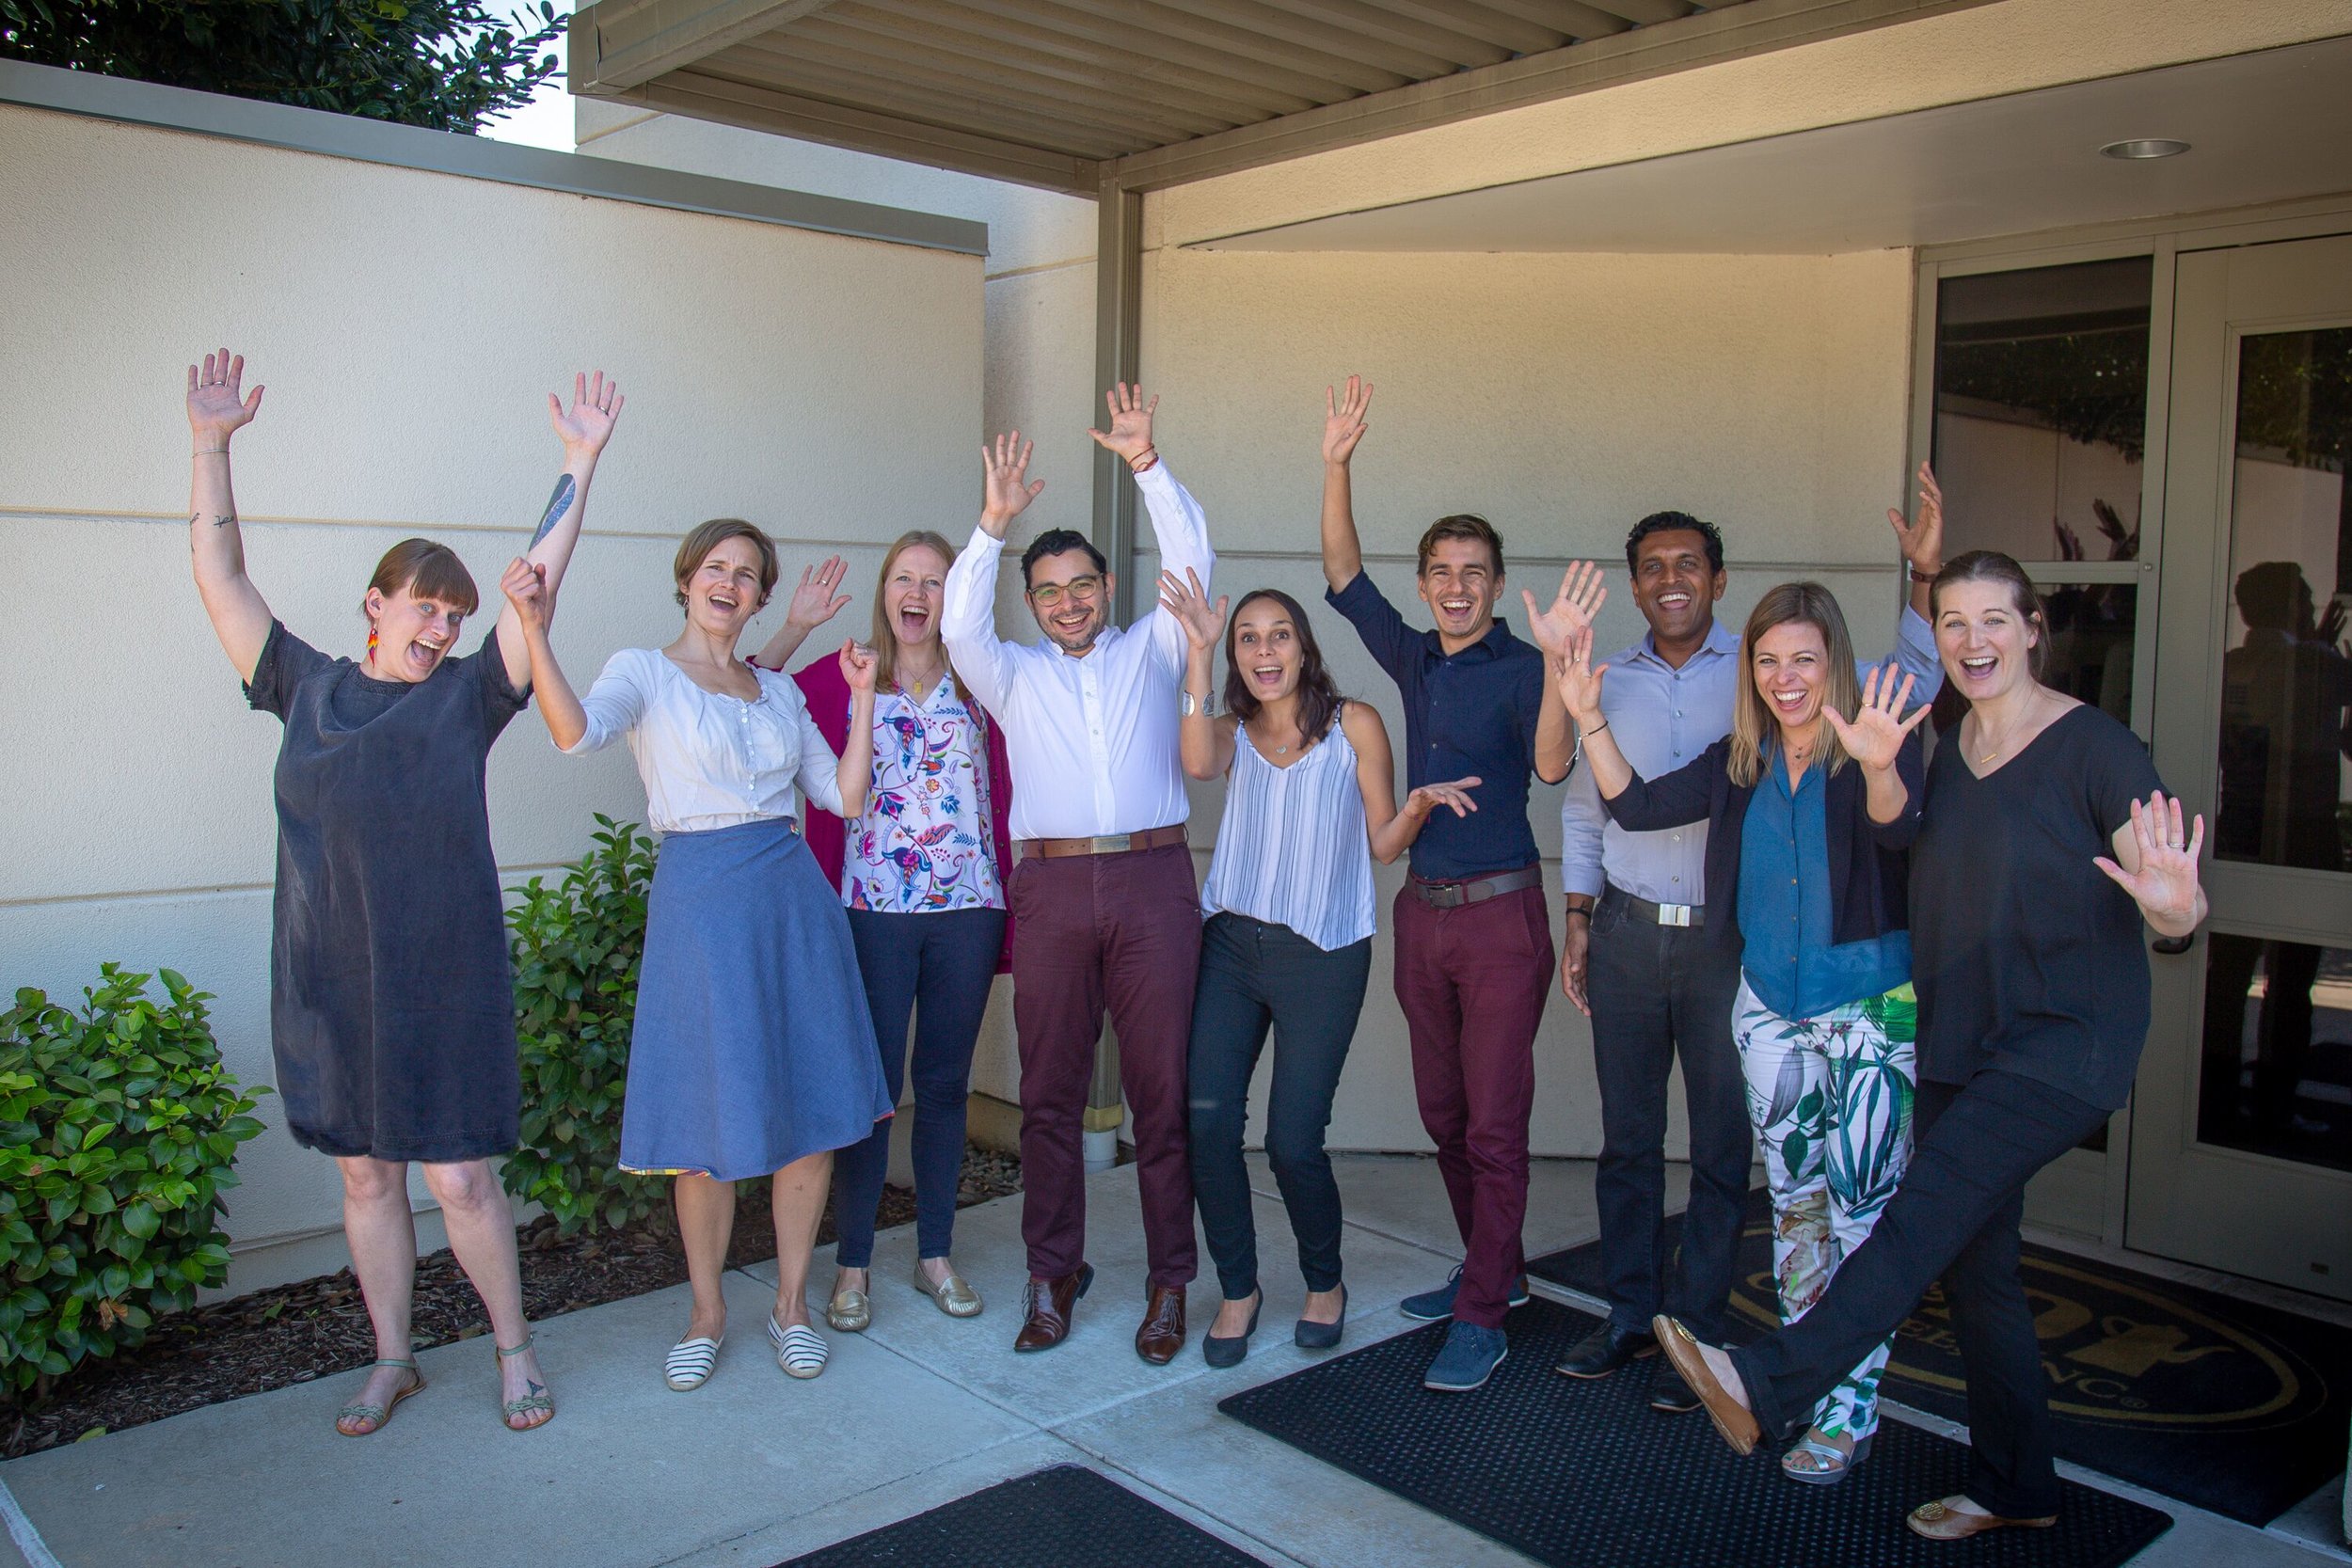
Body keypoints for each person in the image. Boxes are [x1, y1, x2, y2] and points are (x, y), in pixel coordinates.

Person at [1653, 550, 2207, 1542]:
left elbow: (2159, 881)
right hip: (1960, 1039)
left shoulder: (2094, 748)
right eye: (1952, 622)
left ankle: (1767, 1379)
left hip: (2059, 1044)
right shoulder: (1937, 745)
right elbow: (1893, 833)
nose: (1972, 640)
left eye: (1994, 619)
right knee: (1977, 1268)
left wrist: (2175, 916)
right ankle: (2016, 1482)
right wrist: (1875, 766)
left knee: (1914, 1217)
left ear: (2033, 627)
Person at [186, 350, 621, 1435]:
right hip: (330, 977)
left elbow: (535, 592)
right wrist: (210, 447)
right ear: (376, 604)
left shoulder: (470, 697)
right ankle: (393, 1357)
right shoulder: (304, 686)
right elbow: (220, 579)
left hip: (443, 980)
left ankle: (512, 1349)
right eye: (423, 608)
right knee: (368, 1181)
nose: (437, 629)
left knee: (462, 1181)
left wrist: (577, 463)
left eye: (451, 614)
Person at [1554, 473, 1946, 1415]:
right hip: (1744, 990)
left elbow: (1901, 820)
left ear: (1830, 661)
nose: (1785, 677)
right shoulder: (1742, 758)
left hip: (1843, 1001)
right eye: (1770, 661)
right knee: (1758, 1192)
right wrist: (1586, 712)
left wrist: (1924, 579)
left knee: (1821, 1200)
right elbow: (1636, 806)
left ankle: (1774, 1373)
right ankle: (1678, 1337)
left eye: (1802, 659)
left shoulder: (1868, 743)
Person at [504, 518, 892, 1389]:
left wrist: (863, 698)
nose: (730, 582)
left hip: (792, 903)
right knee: (702, 1125)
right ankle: (707, 1312)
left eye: (747, 574)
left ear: (759, 598)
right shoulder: (643, 671)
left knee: (810, 1107)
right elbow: (575, 734)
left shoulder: (780, 691)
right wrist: (534, 629)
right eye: (716, 567)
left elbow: (843, 795)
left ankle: (791, 1305)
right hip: (702, 906)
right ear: (686, 580)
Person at [1315, 375, 1598, 1392]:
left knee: (1493, 1118)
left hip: (1499, 920)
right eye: (1440, 570)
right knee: (1442, 1111)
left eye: (1473, 571)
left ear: (1494, 581)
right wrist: (1338, 459)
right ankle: (1498, 1268)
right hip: (1422, 918)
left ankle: (1483, 1308)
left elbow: (1557, 767)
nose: (1455, 585)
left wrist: (1566, 681)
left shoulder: (1524, 668)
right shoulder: (1415, 657)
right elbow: (1342, 573)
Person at [941, 386, 1213, 1364]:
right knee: (1048, 1094)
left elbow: (1192, 561)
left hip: (1153, 886)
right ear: (1032, 601)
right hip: (1051, 892)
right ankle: (1052, 1273)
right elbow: (960, 621)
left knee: (1161, 1095)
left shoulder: (1151, 650)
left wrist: (1146, 464)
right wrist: (991, 523)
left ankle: (1169, 1281)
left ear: (1106, 585)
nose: (1066, 601)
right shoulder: (1008, 671)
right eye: (1047, 589)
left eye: (1080, 584)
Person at [1161, 573, 1479, 1366]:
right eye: (1248, 637)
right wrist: (1198, 650)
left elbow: (1381, 843)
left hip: (1323, 953)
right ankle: (1239, 1289)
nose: (1265, 650)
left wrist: (1417, 807)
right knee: (1207, 1124)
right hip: (1232, 947)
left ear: (1304, 646)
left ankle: (1323, 1281)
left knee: (1294, 1140)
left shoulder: (1355, 725)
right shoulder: (1231, 728)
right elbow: (1197, 761)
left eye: (1279, 634)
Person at [746, 535, 1015, 1332]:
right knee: (871, 1095)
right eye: (906, 577)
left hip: (969, 908)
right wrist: (794, 624)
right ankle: (853, 1264)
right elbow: (750, 692)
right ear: (885, 589)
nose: (920, 593)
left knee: (943, 1087)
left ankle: (936, 1251)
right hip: (872, 912)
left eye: (936, 581)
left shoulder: (980, 682)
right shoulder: (847, 673)